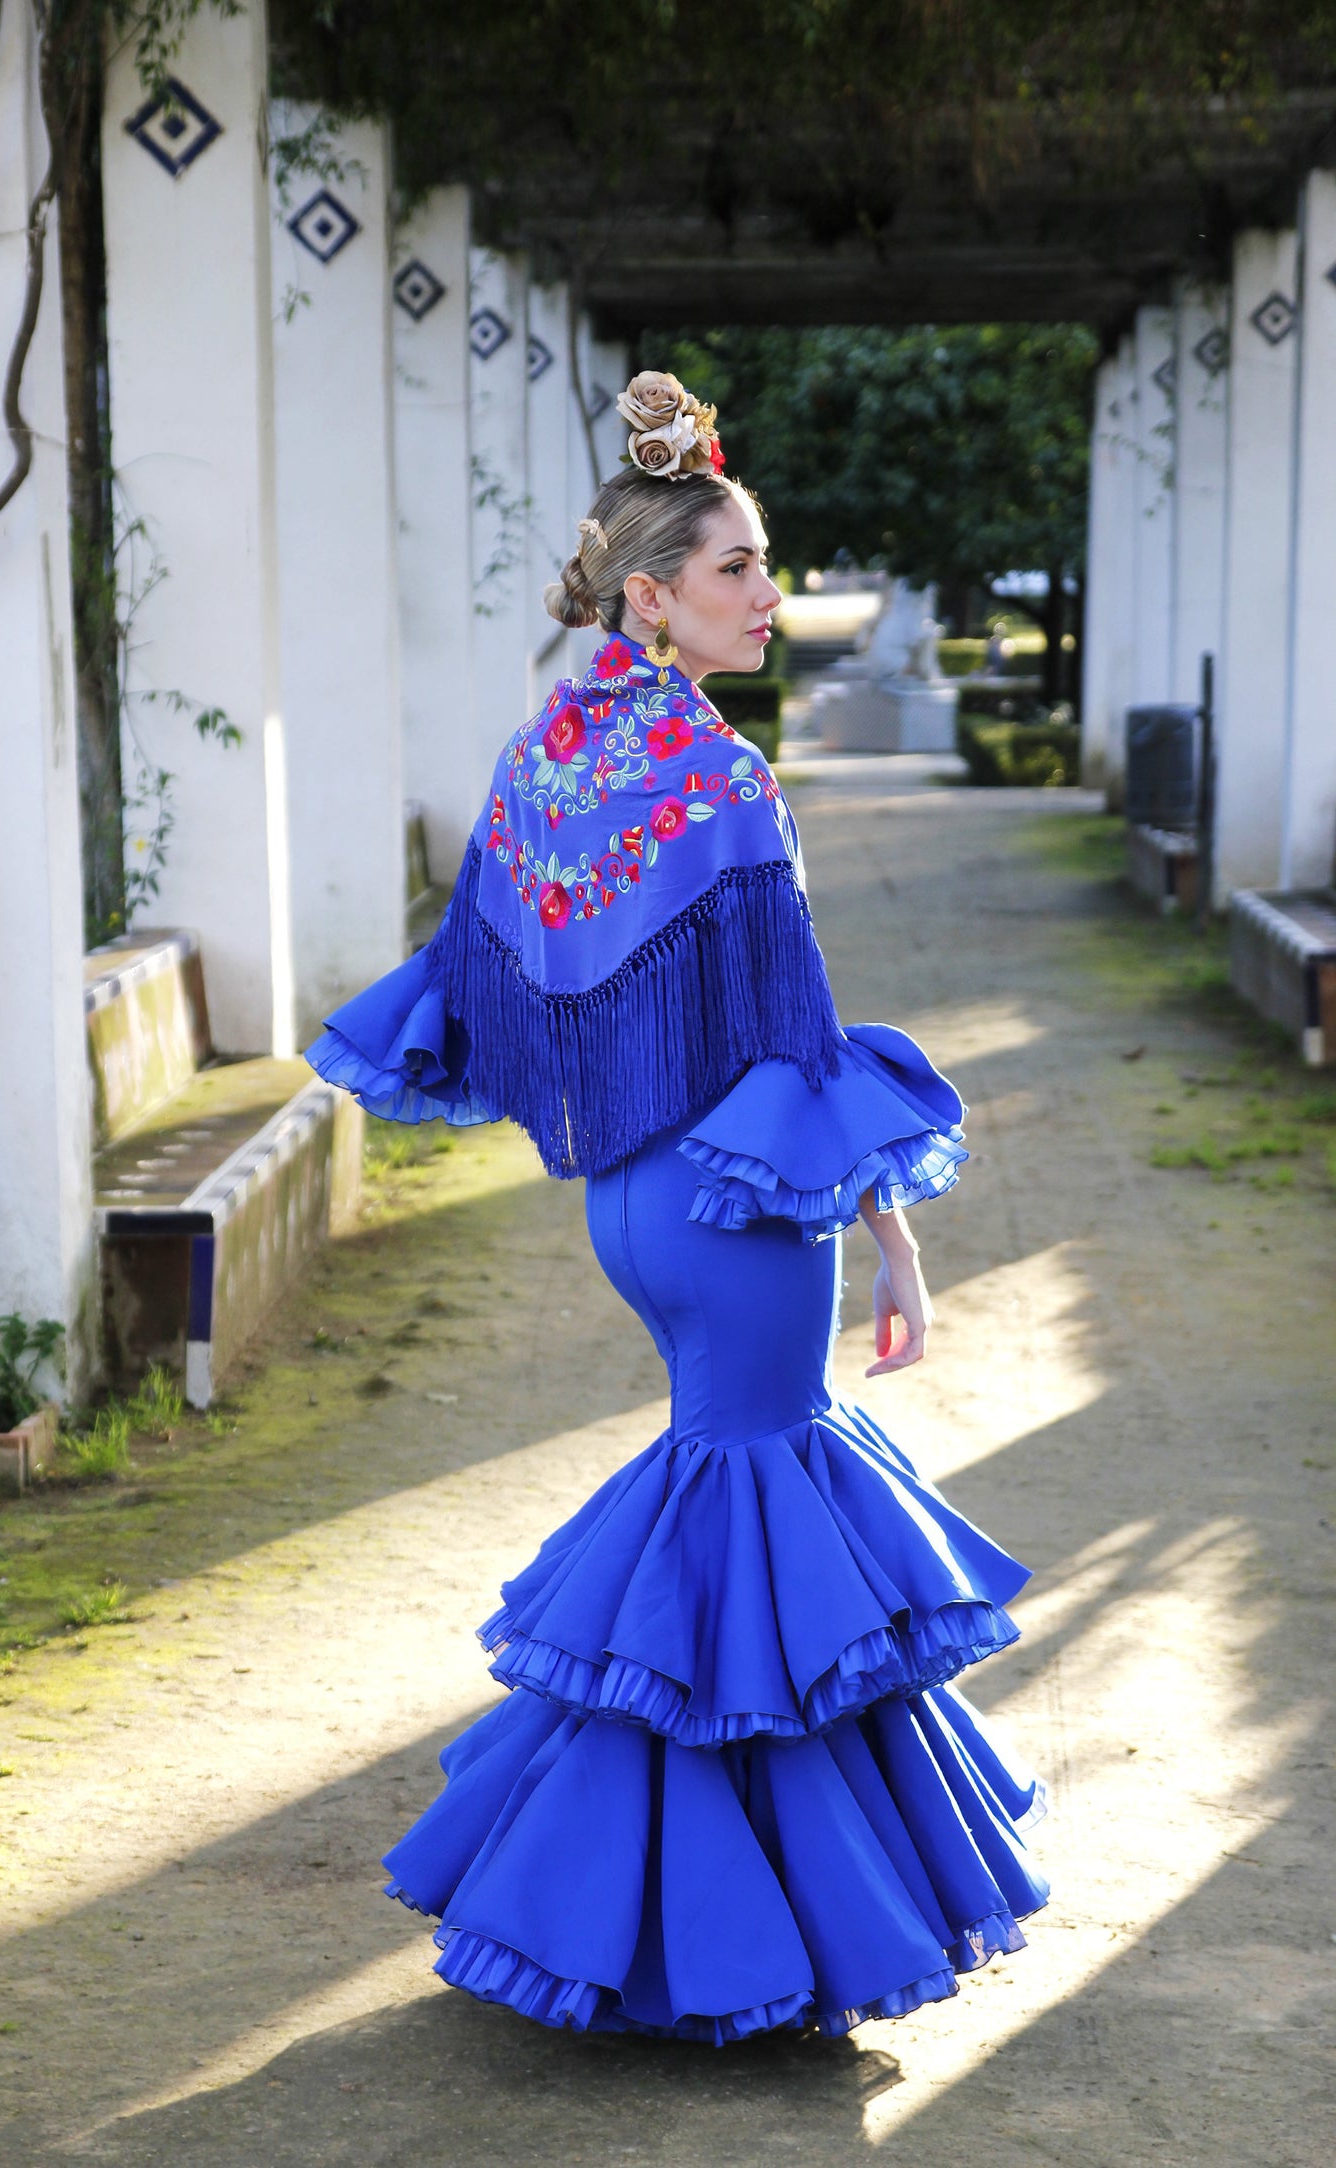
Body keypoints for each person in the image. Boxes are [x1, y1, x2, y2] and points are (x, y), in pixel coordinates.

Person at [305, 371, 1047, 2043]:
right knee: (772, 1574)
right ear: (651, 592)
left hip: (635, 1206)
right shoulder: (716, 781)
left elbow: (482, 983)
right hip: (736, 1215)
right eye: (736, 568)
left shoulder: (546, 762)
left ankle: (648, 1908)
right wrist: (901, 1247)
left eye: (764, 563)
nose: (767, 593)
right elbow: (793, 1039)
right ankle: (749, 1945)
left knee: (714, 1563)